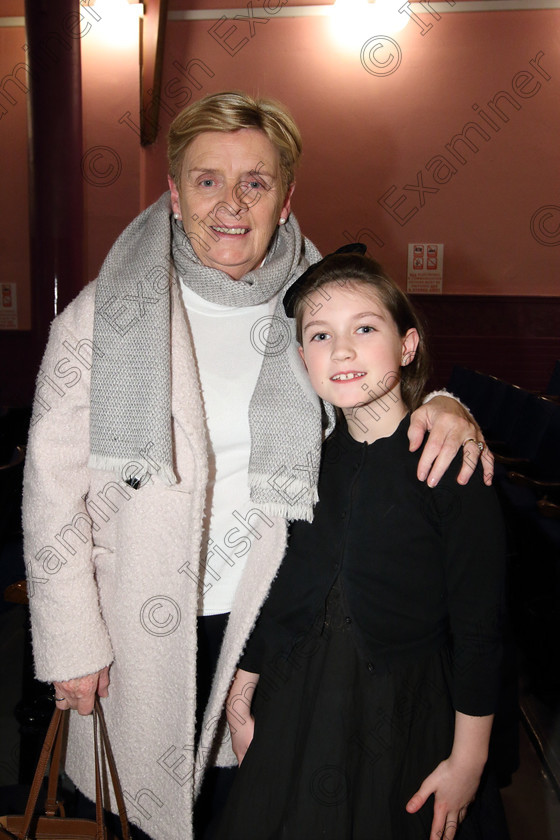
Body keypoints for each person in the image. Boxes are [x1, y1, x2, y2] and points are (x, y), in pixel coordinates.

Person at [22, 93, 491, 840]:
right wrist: (72, 640)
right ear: (175, 194)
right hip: (136, 633)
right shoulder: (102, 313)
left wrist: (441, 401)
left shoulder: (316, 306)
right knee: (135, 814)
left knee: (254, 813)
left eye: (256, 182)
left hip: (275, 630)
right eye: (207, 180)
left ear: (286, 196)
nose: (231, 203)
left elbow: (373, 385)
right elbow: (51, 490)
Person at [216, 246, 508, 840]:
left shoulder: (449, 463)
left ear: (406, 345)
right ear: (302, 358)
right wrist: (244, 684)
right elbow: (289, 582)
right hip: (302, 696)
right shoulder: (308, 461)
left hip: (407, 706)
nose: (341, 350)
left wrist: (468, 759)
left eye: (364, 328)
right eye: (320, 336)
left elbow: (482, 626)